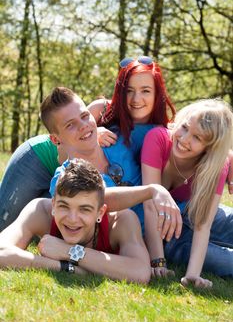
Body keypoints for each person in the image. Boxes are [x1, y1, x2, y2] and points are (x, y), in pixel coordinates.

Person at [40, 86, 181, 240]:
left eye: (85, 116)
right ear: (55, 139)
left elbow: (165, 131)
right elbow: (99, 198)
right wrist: (152, 191)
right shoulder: (63, 179)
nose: (83, 125)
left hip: (174, 218)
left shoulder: (118, 141)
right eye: (70, 125)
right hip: (141, 243)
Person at [0, 159, 151, 283]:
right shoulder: (40, 211)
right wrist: (64, 267)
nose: (72, 219)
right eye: (64, 206)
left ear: (100, 212)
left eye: (84, 209)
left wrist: (68, 251)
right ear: (53, 204)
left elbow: (140, 272)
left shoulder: (121, 221)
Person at [141, 99, 233, 288]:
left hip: (191, 214)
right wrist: (158, 261)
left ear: (210, 147)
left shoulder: (215, 165)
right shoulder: (158, 138)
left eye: (197, 138)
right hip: (165, 230)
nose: (184, 139)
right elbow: (150, 205)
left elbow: (203, 224)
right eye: (184, 127)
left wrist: (193, 274)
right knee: (225, 261)